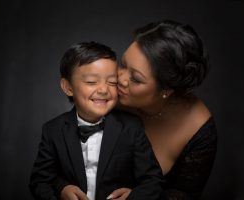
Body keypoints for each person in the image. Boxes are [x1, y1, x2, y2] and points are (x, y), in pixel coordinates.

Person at [29, 41, 164, 200]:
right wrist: (61, 190)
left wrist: (133, 197)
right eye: (92, 82)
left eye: (112, 82)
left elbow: (153, 181)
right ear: (68, 87)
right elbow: (40, 182)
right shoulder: (53, 130)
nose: (103, 90)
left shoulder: (131, 127)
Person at [113, 20, 217, 199]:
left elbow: (185, 194)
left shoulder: (199, 129)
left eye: (136, 79)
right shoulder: (107, 94)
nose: (119, 78)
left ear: (166, 90)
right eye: (123, 65)